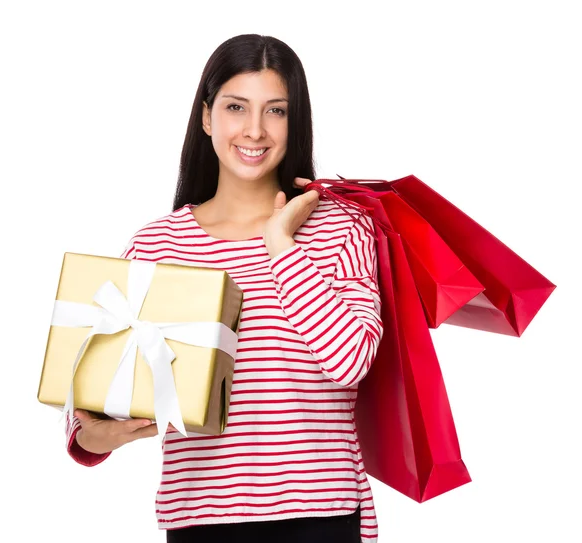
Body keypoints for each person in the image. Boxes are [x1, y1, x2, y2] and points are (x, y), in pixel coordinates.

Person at [66, 34, 383, 543]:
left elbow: (351, 362)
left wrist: (281, 243)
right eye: (237, 107)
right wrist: (91, 435)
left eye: (275, 110)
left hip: (320, 517)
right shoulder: (159, 245)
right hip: (202, 522)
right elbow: (93, 383)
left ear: (294, 121)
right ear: (208, 117)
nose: (254, 130)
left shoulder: (341, 229)